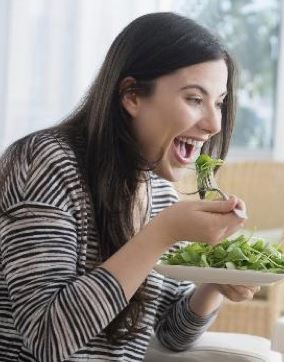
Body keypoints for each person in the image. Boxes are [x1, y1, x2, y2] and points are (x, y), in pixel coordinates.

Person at [0, 12, 265, 361]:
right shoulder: (44, 162)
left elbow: (171, 333)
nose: (214, 123)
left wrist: (214, 282)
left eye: (219, 102)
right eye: (194, 99)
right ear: (132, 95)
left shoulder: (159, 192)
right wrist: (161, 234)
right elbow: (48, 337)